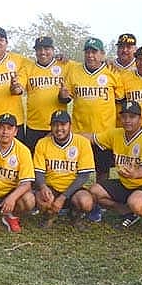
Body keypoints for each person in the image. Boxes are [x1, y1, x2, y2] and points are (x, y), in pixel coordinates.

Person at [84, 100, 142, 230]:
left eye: (132, 117)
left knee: (135, 202)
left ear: (140, 119)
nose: (127, 120)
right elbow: (92, 138)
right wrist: (68, 135)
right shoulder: (116, 134)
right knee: (94, 192)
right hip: (126, 183)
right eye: (124, 116)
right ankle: (127, 211)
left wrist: (135, 174)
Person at [60, 37, 125, 186]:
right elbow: (66, 97)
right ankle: (76, 198)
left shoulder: (112, 71)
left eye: (94, 52)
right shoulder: (75, 71)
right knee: (76, 167)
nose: (90, 55)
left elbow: (121, 97)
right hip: (80, 131)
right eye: (87, 52)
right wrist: (62, 96)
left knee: (102, 170)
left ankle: (99, 201)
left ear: (102, 54)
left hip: (104, 132)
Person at [32, 110, 95, 229]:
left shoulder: (82, 142)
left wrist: (63, 197)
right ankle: (49, 217)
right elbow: (38, 171)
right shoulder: (42, 143)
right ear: (50, 127)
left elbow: (83, 175)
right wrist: (43, 187)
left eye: (63, 125)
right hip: (52, 186)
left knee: (86, 202)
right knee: (42, 197)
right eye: (55, 125)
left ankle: (75, 215)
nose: (59, 128)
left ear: (70, 126)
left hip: (73, 188)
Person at [22, 36, 76, 153]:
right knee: (35, 164)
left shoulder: (65, 64)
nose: (43, 52)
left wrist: (105, 61)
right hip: (34, 126)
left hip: (58, 126)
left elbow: (86, 66)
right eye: (39, 49)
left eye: (47, 49)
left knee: (57, 163)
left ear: (53, 49)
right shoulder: (28, 67)